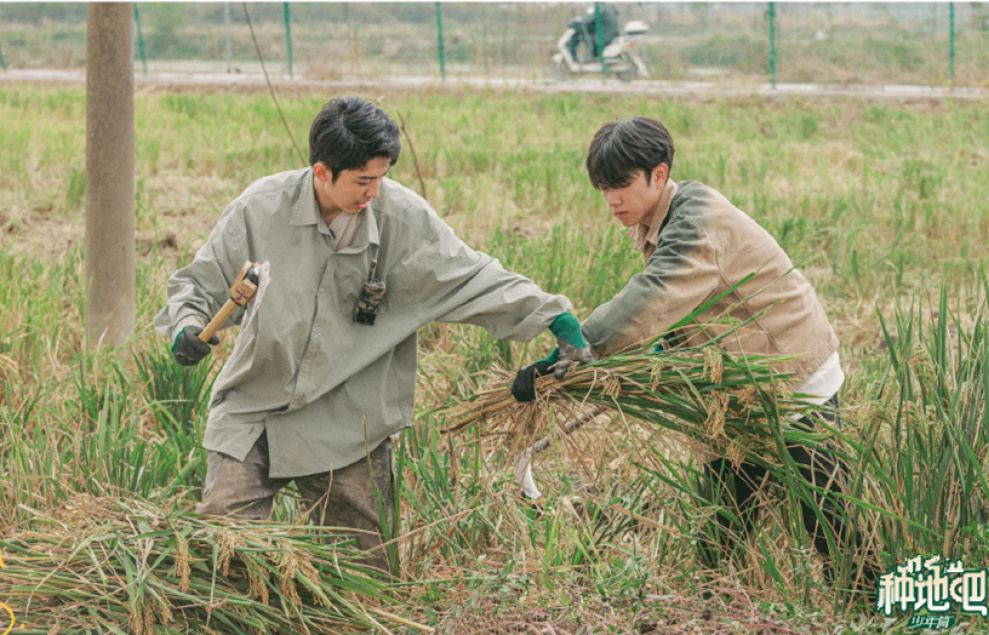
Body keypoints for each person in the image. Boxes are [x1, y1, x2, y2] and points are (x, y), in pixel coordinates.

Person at [154, 96, 591, 575]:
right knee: (222, 554)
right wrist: (186, 327)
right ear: (322, 172)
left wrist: (554, 317)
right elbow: (199, 283)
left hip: (349, 419)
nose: (375, 192)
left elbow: (472, 277)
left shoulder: (402, 219)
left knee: (364, 576)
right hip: (257, 404)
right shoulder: (260, 210)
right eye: (364, 180)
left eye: (381, 177)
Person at [511, 116, 873, 588]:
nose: (611, 200)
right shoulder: (664, 216)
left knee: (828, 518)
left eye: (620, 185)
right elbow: (684, 306)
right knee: (724, 521)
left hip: (789, 375)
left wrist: (576, 346)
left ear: (658, 175)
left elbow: (654, 295)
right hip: (738, 383)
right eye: (602, 188)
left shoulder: (698, 218)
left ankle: (870, 607)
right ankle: (712, 604)